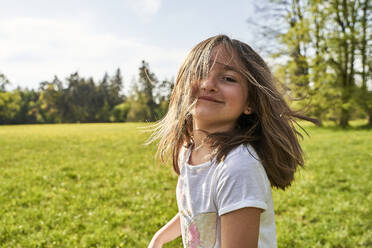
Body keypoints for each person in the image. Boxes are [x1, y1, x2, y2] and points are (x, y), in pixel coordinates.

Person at [147, 34, 316, 248]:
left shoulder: (238, 168)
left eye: (228, 78)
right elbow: (198, 215)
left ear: (250, 103)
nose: (208, 84)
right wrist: (160, 237)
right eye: (199, 73)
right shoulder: (188, 151)